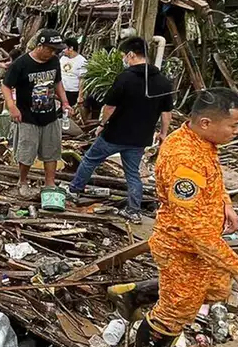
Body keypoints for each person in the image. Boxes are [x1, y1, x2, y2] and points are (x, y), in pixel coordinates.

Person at [135, 88, 238, 347]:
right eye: (234, 125)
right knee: (179, 307)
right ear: (206, 122)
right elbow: (196, 231)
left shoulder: (202, 142)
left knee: (208, 289)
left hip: (197, 246)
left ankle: (133, 294)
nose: (237, 131)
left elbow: (213, 180)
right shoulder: (185, 161)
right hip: (181, 245)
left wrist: (226, 203)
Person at [67, 37, 173, 222]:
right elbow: (166, 112)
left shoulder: (125, 78)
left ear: (131, 55)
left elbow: (110, 106)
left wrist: (102, 124)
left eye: (124, 55)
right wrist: (164, 133)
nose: (124, 59)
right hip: (140, 138)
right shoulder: (163, 81)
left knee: (90, 160)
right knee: (132, 173)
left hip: (115, 134)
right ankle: (134, 211)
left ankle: (74, 191)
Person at [3, 29, 70, 198]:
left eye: (55, 50)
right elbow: (6, 85)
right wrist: (11, 106)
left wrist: (64, 102)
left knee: (52, 151)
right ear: (40, 46)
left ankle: (50, 183)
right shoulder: (21, 64)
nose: (53, 53)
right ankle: (23, 181)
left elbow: (57, 82)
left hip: (50, 115)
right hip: (27, 116)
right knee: (26, 152)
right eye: (50, 49)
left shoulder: (54, 61)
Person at [59, 37, 88, 108]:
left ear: (71, 48)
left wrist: (80, 96)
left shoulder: (82, 61)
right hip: (62, 91)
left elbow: (82, 80)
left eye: (65, 48)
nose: (63, 50)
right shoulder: (62, 59)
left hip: (73, 92)